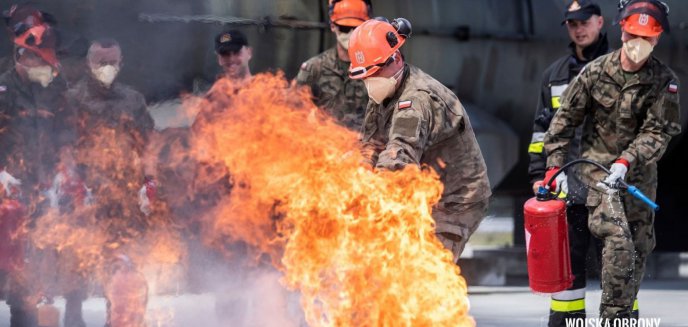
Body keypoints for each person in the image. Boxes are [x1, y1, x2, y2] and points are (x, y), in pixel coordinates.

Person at [542, 0, 680, 322]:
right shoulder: (595, 72)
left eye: (646, 38)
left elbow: (658, 132)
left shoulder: (664, 81)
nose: (638, 44)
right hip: (598, 177)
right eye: (633, 36)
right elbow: (563, 123)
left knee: (637, 253)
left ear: (657, 39)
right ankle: (614, 318)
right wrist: (554, 167)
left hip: (638, 180)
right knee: (619, 243)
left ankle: (624, 317)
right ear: (622, 32)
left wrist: (627, 162)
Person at [348, 18, 491, 263]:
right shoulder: (383, 92)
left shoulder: (416, 100)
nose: (371, 82)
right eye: (366, 76)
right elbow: (370, 147)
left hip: (455, 200)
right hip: (423, 193)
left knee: (426, 268)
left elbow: (399, 158)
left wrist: (368, 196)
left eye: (376, 72)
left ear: (396, 58)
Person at [62, 38, 155, 327]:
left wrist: (149, 182)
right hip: (85, 196)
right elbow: (63, 146)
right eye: (101, 62)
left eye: (112, 62)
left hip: (125, 198)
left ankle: (119, 320)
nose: (107, 68)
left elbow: (148, 144)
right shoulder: (72, 100)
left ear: (121, 63)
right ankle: (73, 317)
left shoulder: (133, 99)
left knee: (124, 268)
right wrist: (73, 183)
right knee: (77, 264)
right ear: (89, 64)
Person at [527, 1, 608, 325]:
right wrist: (538, 175)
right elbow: (540, 132)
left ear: (600, 22)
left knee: (616, 272)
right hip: (567, 191)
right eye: (572, 24)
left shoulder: (619, 68)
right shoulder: (554, 75)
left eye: (584, 22)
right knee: (566, 275)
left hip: (607, 191)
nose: (578, 29)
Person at [0, 21, 70, 327]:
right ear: (22, 57)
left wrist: (64, 169)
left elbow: (66, 132)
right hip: (9, 192)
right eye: (39, 60)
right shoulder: (3, 91)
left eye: (47, 60)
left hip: (44, 189)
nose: (44, 66)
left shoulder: (54, 88)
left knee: (40, 266)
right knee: (13, 263)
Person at [295, 0, 370, 131]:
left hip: (367, 148)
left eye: (356, 28)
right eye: (345, 28)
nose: (351, 33)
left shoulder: (377, 68)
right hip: (327, 146)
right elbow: (292, 109)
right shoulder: (314, 68)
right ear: (332, 26)